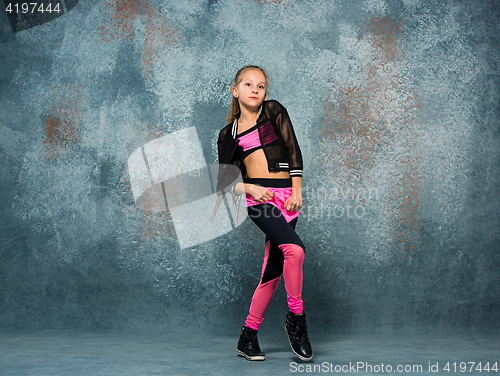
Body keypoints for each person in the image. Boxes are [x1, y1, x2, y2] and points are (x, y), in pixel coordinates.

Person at [214, 65, 312, 362]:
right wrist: (252, 189)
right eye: (248, 84)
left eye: (260, 86)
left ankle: (248, 335)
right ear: (236, 91)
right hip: (261, 202)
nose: (255, 90)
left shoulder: (273, 111)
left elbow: (292, 149)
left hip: (288, 199)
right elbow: (225, 184)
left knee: (272, 272)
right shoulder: (227, 134)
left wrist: (297, 189)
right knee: (295, 250)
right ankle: (296, 320)